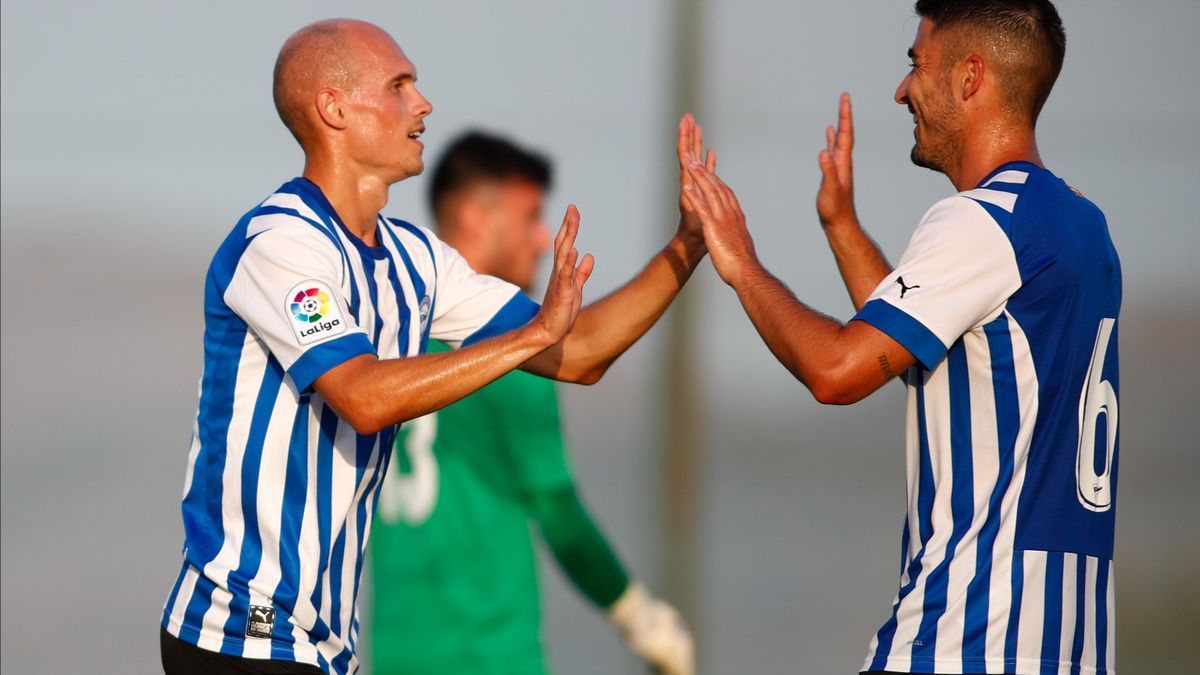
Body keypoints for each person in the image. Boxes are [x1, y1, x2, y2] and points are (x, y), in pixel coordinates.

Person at [159, 18, 716, 675]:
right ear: (333, 108)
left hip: (322, 645)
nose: (422, 104)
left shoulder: (415, 258)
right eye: (399, 86)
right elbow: (362, 396)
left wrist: (689, 245)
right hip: (238, 632)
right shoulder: (282, 244)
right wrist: (531, 334)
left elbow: (583, 350)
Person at [680, 1, 1120, 673]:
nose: (903, 88)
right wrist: (843, 228)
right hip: (1071, 647)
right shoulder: (1083, 226)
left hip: (966, 640)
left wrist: (740, 264)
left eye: (916, 64)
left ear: (971, 77)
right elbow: (942, 351)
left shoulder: (981, 221)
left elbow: (838, 369)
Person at [367, 131, 693, 675]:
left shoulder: (385, 325)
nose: (544, 240)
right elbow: (556, 509)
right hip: (489, 655)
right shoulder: (511, 351)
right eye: (530, 217)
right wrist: (640, 617)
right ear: (474, 218)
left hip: (393, 653)